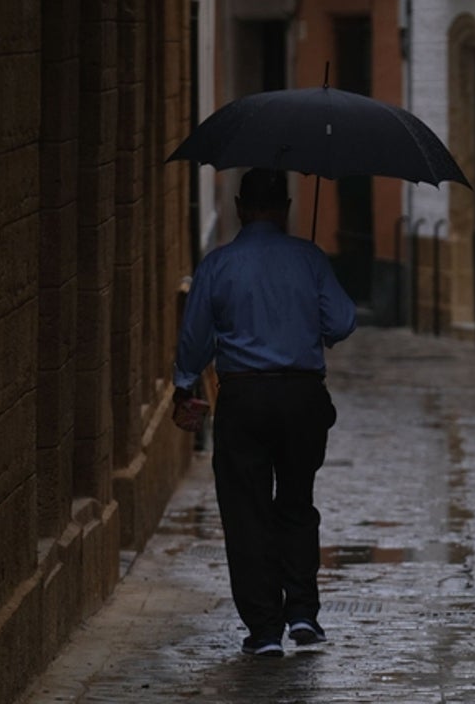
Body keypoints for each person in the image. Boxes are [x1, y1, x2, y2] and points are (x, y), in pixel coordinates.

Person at [172, 167, 357, 658]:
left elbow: (194, 340)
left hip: (245, 398)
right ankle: (303, 614)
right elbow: (341, 321)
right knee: (297, 502)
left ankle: (264, 629)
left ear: (238, 206)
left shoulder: (218, 265)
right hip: (302, 397)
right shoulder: (309, 258)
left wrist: (184, 387)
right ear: (286, 208)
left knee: (247, 511)